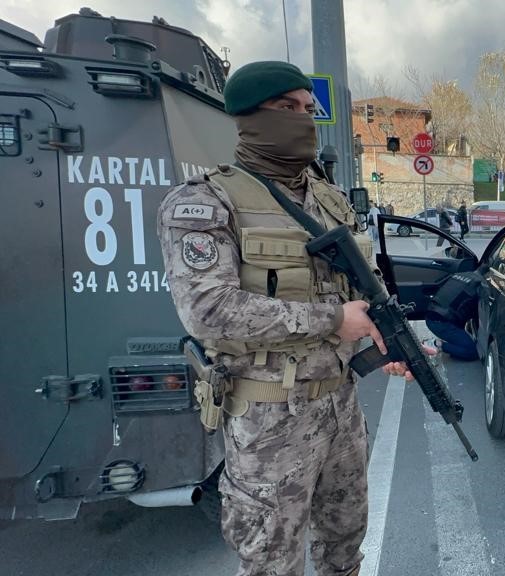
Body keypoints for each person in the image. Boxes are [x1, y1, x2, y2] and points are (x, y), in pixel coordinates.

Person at [156, 61, 412, 576]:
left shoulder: (328, 198)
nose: (302, 120)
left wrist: (389, 338)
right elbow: (208, 312)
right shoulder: (205, 201)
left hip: (340, 407)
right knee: (272, 561)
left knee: (345, 543)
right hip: (269, 420)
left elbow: (358, 287)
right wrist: (330, 320)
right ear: (249, 118)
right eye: (286, 109)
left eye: (307, 109)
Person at [425, 270, 483, 360]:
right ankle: (436, 344)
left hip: (431, 316)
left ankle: (453, 347)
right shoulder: (479, 285)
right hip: (442, 324)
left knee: (462, 342)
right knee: (472, 351)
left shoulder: (460, 275)